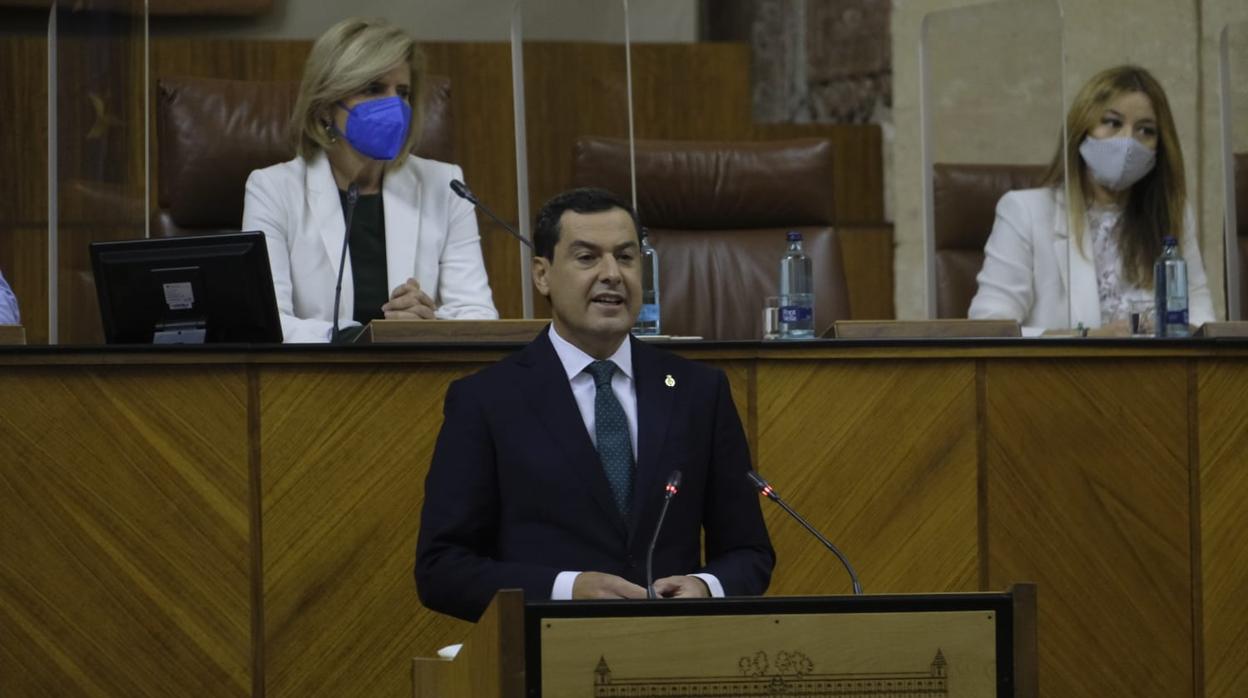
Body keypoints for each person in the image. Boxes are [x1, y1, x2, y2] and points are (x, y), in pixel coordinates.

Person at [415, 188, 774, 621]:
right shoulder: (487, 400)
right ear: (542, 275)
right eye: (587, 258)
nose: (612, 274)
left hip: (676, 651)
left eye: (625, 257)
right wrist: (567, 589)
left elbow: (748, 550)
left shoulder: (699, 392)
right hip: (547, 658)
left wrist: (706, 587)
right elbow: (442, 569)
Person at [242, 17, 497, 343]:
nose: (393, 105)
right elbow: (270, 321)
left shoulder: (445, 185)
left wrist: (426, 323)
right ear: (324, 108)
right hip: (314, 382)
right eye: (373, 89)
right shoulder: (273, 190)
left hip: (419, 375)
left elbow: (479, 315)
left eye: (402, 92)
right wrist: (362, 337)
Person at [968, 65, 1215, 334]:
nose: (1128, 142)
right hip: (1059, 375)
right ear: (1082, 129)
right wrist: (1088, 338)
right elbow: (989, 329)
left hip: (1160, 374)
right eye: (1112, 123)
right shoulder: (1025, 212)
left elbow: (1202, 322)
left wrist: (1179, 331)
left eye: (1146, 130)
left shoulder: (1171, 215)